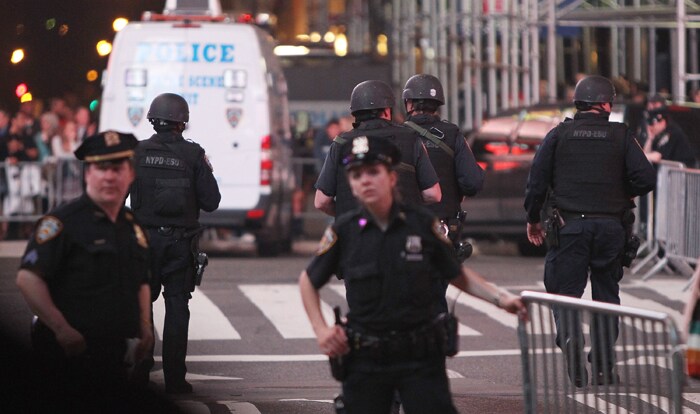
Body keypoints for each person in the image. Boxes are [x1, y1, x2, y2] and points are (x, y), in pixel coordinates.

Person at [300, 136, 527, 414]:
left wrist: (501, 298)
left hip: (419, 359)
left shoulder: (421, 224)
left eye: (374, 172)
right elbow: (308, 282)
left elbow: (456, 274)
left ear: (392, 178)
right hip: (366, 361)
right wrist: (321, 330)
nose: (366, 180)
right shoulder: (343, 232)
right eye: (357, 175)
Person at [524, 75, 657, 388]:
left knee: (564, 292)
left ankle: (570, 336)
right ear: (607, 104)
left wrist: (533, 219)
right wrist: (622, 193)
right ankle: (603, 366)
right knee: (606, 297)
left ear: (579, 104)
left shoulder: (559, 135)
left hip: (569, 227)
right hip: (611, 228)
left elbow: (537, 180)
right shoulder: (621, 135)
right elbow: (646, 179)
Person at [15, 131, 154, 408]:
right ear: (88, 173)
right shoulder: (62, 223)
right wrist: (62, 329)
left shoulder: (132, 227)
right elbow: (27, 278)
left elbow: (141, 280)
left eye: (117, 168)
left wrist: (145, 327)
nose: (109, 177)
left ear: (130, 174)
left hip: (114, 354)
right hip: (67, 354)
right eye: (101, 168)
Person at [130, 92, 221, 394]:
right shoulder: (193, 155)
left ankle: (140, 373)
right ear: (183, 122)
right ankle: (175, 380)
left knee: (143, 308)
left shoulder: (137, 153)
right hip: (180, 244)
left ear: (153, 120)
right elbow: (211, 201)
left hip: (144, 243)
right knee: (177, 308)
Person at [314, 79, 441, 217]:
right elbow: (433, 194)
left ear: (355, 114)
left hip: (355, 234)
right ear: (387, 111)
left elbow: (321, 202)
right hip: (402, 232)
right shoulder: (411, 138)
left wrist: (345, 217)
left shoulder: (340, 144)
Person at [402, 74, 485, 256]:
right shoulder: (452, 134)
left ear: (408, 103)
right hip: (444, 227)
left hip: (405, 226)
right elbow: (473, 182)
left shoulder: (398, 136)